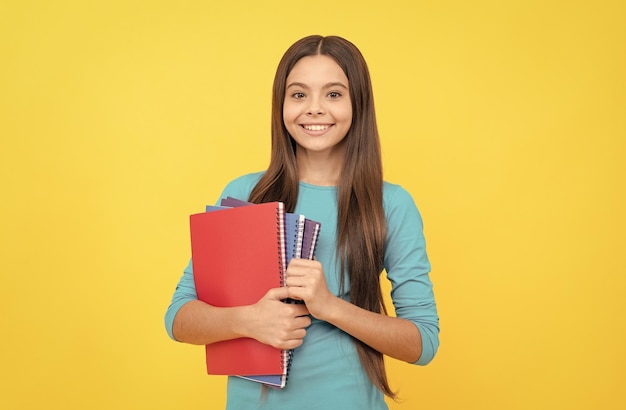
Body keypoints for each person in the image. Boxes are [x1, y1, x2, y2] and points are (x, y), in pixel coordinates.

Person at [165, 35, 439, 409]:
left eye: (333, 94)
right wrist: (249, 321)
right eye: (298, 95)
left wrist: (329, 306)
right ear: (281, 106)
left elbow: (422, 343)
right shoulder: (246, 193)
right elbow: (179, 318)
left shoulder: (390, 204)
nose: (314, 109)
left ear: (358, 103)